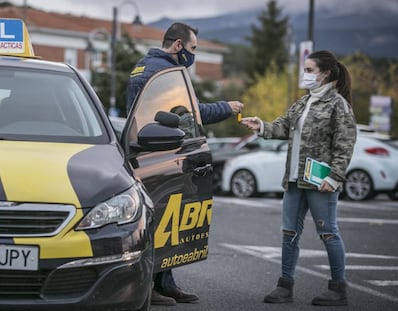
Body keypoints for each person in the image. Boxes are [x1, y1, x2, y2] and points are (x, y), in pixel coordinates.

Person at [126, 22, 243, 306]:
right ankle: (148, 287)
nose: (194, 55)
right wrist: (228, 107)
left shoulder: (145, 66)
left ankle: (165, 283)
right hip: (155, 154)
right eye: (192, 48)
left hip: (153, 152)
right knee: (156, 224)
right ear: (178, 45)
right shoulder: (163, 73)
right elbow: (192, 113)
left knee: (167, 221)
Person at [241, 50, 356, 306]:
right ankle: (285, 286)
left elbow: (345, 144)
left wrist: (335, 177)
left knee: (328, 233)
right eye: (305, 70)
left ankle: (339, 289)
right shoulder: (303, 103)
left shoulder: (338, 105)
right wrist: (260, 125)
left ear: (326, 73)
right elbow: (282, 126)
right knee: (289, 233)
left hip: (320, 181)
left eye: (310, 70)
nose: (305, 75)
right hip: (294, 179)